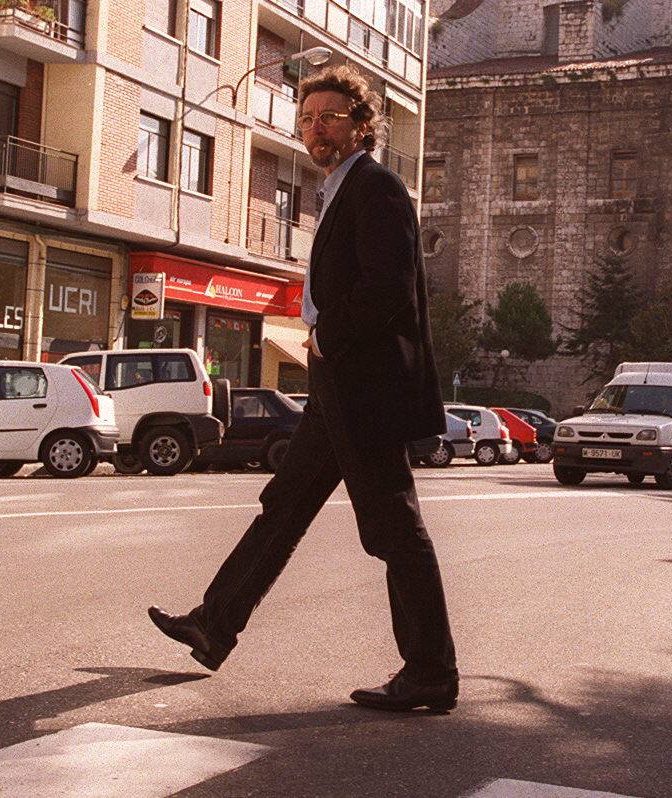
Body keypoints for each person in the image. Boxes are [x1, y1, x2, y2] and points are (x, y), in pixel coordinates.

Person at [148, 64, 458, 712]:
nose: (316, 128)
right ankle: (215, 621)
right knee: (282, 507)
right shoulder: (341, 190)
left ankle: (429, 671)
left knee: (393, 530)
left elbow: (387, 289)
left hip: (364, 387)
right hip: (339, 386)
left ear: (361, 126)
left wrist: (324, 336)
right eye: (307, 118)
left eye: (330, 117)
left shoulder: (377, 190)